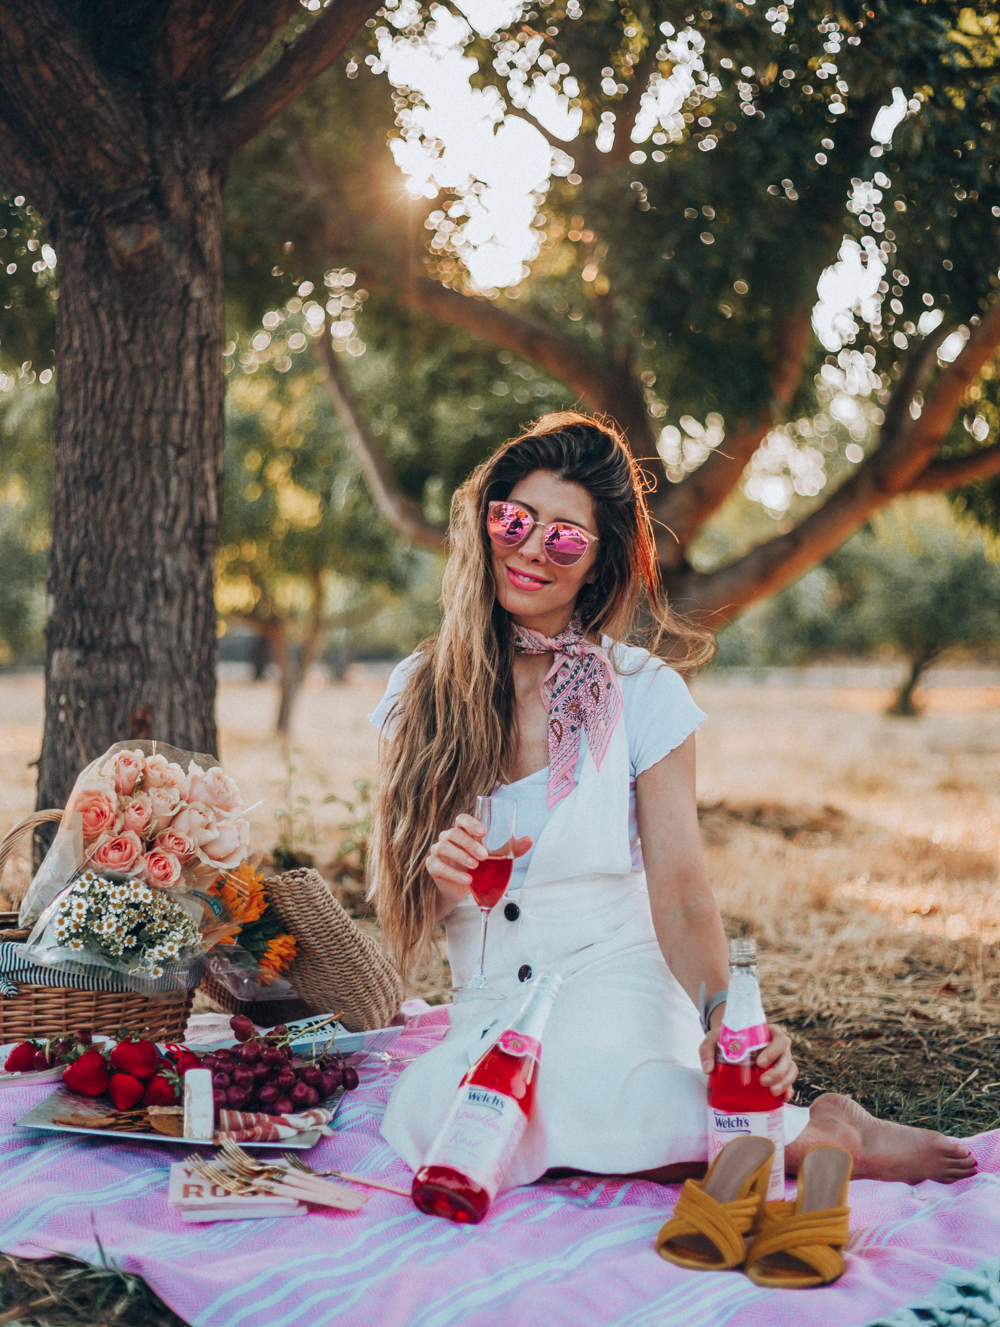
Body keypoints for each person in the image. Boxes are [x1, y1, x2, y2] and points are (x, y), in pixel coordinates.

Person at [369, 411, 976, 1189]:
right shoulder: (416, 693)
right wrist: (438, 878)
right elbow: (400, 910)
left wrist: (723, 1014)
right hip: (487, 1002)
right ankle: (803, 1134)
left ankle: (828, 1131)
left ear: (597, 564)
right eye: (514, 518)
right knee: (436, 1117)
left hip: (612, 977)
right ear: (485, 522)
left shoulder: (644, 693)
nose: (529, 548)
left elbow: (684, 894)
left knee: (574, 1095)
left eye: (564, 536)